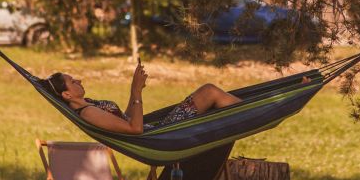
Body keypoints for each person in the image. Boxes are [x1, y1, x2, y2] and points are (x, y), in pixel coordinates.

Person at [43, 62, 242, 134]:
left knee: (210, 92)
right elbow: (135, 129)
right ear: (66, 94)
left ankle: (249, 111)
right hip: (161, 136)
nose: (78, 79)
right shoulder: (89, 113)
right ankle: (252, 112)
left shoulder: (90, 105)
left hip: (158, 130)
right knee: (210, 92)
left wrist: (135, 90)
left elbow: (126, 120)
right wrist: (136, 91)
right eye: (72, 81)